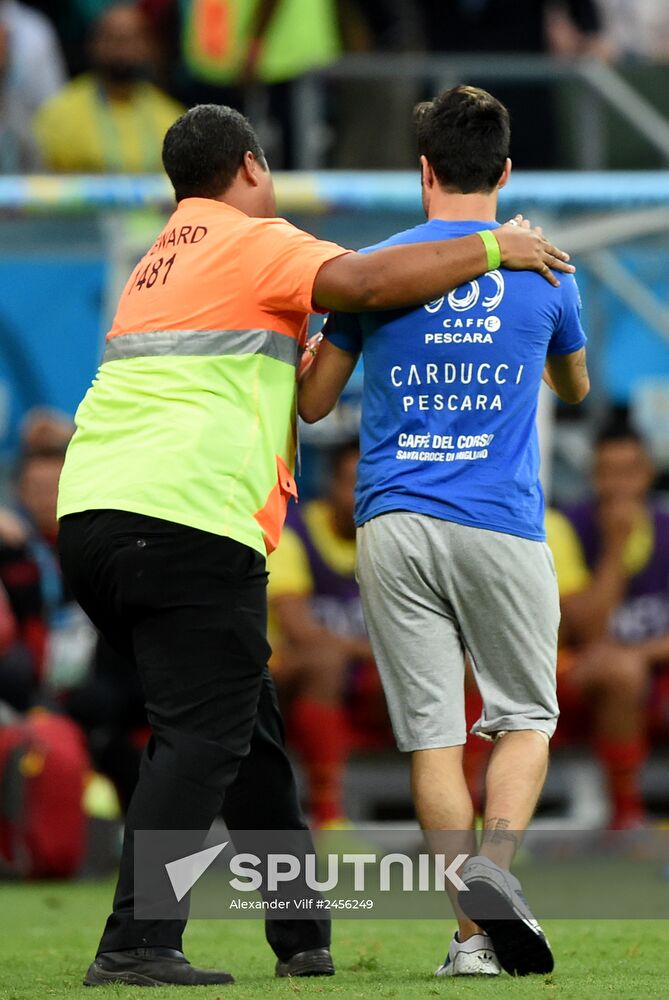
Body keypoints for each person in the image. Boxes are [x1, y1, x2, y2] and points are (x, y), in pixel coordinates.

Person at [55, 100, 571, 987]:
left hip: (96, 514)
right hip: (186, 518)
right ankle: (138, 939)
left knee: (243, 727)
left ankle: (300, 932)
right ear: (252, 169)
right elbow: (366, 284)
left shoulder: (156, 259)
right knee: (201, 737)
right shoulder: (255, 241)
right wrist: (498, 247)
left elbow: (308, 387)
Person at [299, 85, 589, 978]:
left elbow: (312, 406)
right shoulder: (547, 270)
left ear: (420, 170)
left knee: (434, 737)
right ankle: (492, 884)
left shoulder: (370, 271)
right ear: (504, 172)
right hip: (499, 521)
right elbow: (573, 391)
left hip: (392, 521)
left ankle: (470, 939)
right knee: (523, 718)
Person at [551, 422, 669, 828]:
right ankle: (627, 814)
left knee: (627, 665)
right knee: (620, 670)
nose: (619, 485)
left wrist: (638, 651)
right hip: (578, 671)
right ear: (592, 477)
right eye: (607, 472)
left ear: (648, 473)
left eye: (629, 471)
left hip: (649, 668)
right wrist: (616, 546)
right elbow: (585, 631)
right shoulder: (564, 527)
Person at [268, 438, 388, 826]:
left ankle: (466, 816)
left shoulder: (398, 538)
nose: (363, 496)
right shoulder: (293, 533)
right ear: (330, 484)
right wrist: (384, 652)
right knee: (325, 661)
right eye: (352, 483)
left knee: (457, 666)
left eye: (374, 484)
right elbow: (300, 631)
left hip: (366, 678)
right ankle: (330, 817)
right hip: (284, 677)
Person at [33, 3, 183, 172]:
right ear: (93, 44)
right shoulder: (59, 115)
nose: (122, 50)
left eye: (131, 39)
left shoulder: (172, 120)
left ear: (149, 47)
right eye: (113, 38)